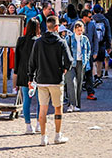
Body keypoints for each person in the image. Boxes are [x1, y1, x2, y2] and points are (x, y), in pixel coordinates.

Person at [28, 15, 72, 146]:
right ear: (57, 27)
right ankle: (57, 135)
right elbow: (69, 60)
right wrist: (64, 69)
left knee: (43, 108)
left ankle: (43, 137)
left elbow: (32, 62)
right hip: (56, 79)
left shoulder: (38, 42)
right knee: (58, 108)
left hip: (42, 79)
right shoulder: (61, 42)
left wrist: (30, 77)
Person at [16, 18, 41, 134]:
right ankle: (39, 124)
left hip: (23, 72)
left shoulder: (21, 40)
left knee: (26, 100)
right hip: (37, 73)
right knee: (40, 100)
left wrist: (16, 72)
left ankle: (28, 125)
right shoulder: (39, 41)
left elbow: (17, 58)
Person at [64, 20, 91, 112]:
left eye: (81, 30)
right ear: (74, 29)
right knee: (71, 83)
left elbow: (88, 50)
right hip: (71, 63)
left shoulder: (85, 39)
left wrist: (86, 59)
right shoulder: (69, 38)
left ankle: (77, 104)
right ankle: (71, 104)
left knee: (79, 84)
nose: (79, 32)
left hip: (81, 63)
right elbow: (65, 50)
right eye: (78, 30)